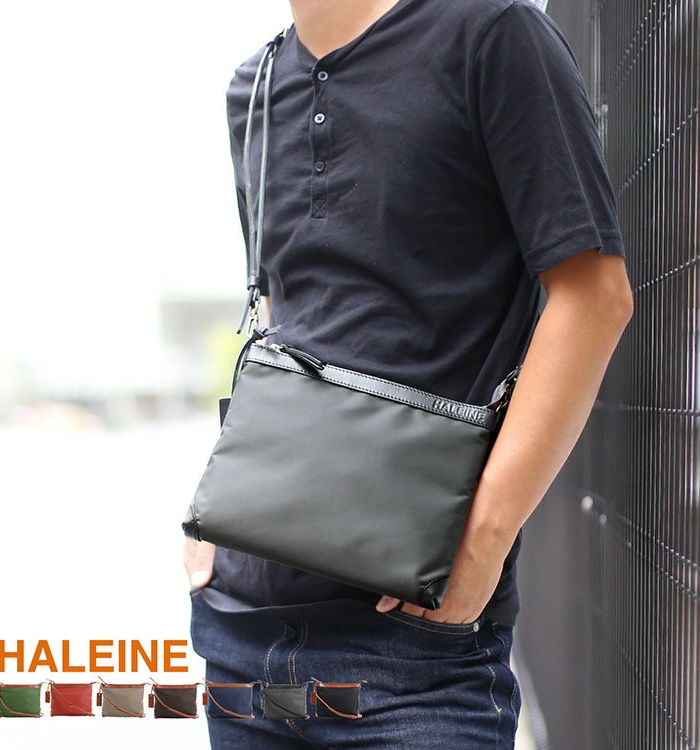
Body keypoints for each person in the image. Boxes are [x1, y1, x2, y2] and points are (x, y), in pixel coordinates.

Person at [184, 0, 633, 747]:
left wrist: (484, 540)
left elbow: (594, 297)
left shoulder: (492, 34)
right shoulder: (252, 86)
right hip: (237, 641)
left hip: (413, 651)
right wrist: (212, 513)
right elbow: (292, 317)